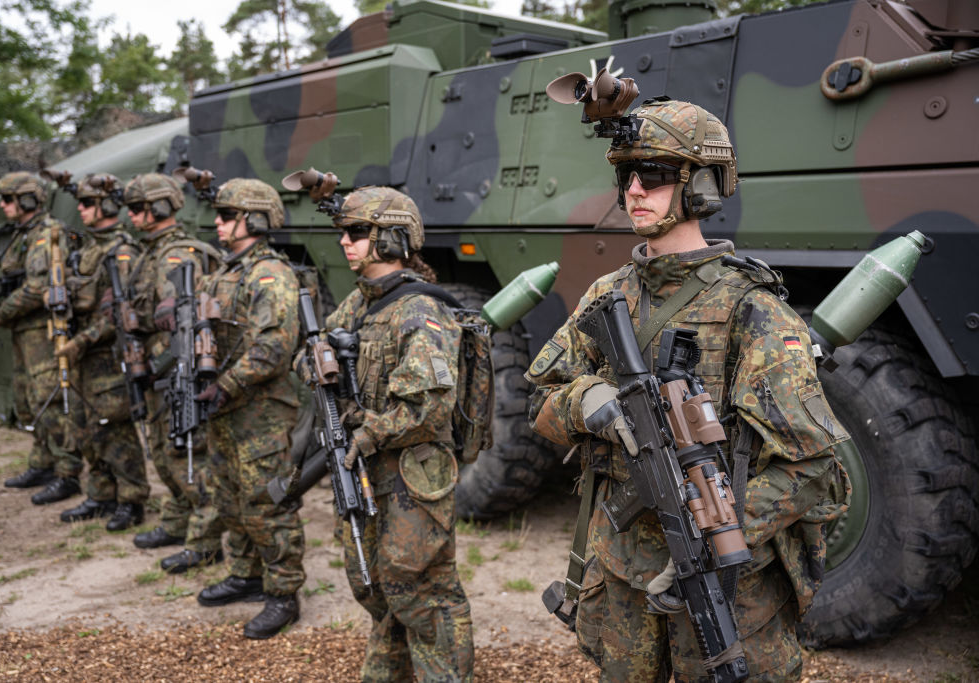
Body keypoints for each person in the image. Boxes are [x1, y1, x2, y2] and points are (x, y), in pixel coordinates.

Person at [526, 98, 851, 682]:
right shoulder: (608, 295)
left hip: (726, 582)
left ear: (699, 185)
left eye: (652, 175)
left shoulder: (754, 310)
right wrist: (586, 402)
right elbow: (540, 400)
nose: (633, 191)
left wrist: (717, 532)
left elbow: (813, 466)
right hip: (622, 570)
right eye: (625, 175)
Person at [302, 184, 474, 681]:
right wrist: (316, 362)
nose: (345, 241)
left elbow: (429, 405)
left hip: (412, 474)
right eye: (344, 232)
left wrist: (368, 433)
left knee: (421, 591)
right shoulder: (359, 305)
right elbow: (312, 354)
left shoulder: (419, 311)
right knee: (373, 582)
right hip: (368, 468)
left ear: (394, 238)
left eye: (359, 232)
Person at [190, 179, 306, 639]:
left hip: (259, 411)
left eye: (226, 215)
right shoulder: (225, 271)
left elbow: (273, 347)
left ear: (253, 219)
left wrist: (226, 385)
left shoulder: (270, 275)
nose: (217, 223)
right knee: (229, 497)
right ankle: (246, 574)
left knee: (267, 502)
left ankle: (283, 592)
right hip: (224, 408)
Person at [121, 173, 226, 572]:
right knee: (165, 455)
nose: (130, 216)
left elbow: (182, 324)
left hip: (172, 372)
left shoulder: (176, 255)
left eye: (136, 208)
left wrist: (159, 366)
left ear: (160, 207)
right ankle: (177, 520)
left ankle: (204, 541)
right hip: (154, 372)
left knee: (188, 456)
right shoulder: (151, 252)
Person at [55, 174, 149, 531]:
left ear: (107, 206)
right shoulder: (89, 247)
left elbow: (119, 312)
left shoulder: (122, 251)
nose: (80, 209)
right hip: (83, 355)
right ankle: (102, 492)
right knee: (86, 428)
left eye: (87, 203)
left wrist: (81, 341)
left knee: (114, 427)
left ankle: (132, 498)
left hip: (109, 355)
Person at [0, 172, 86, 504]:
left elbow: (37, 288)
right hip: (25, 331)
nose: (3, 205)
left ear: (28, 200)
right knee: (29, 399)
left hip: (44, 330)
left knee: (50, 399)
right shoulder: (23, 235)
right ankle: (43, 461)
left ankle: (67, 470)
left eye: (8, 199)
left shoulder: (48, 234)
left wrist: (0, 314)